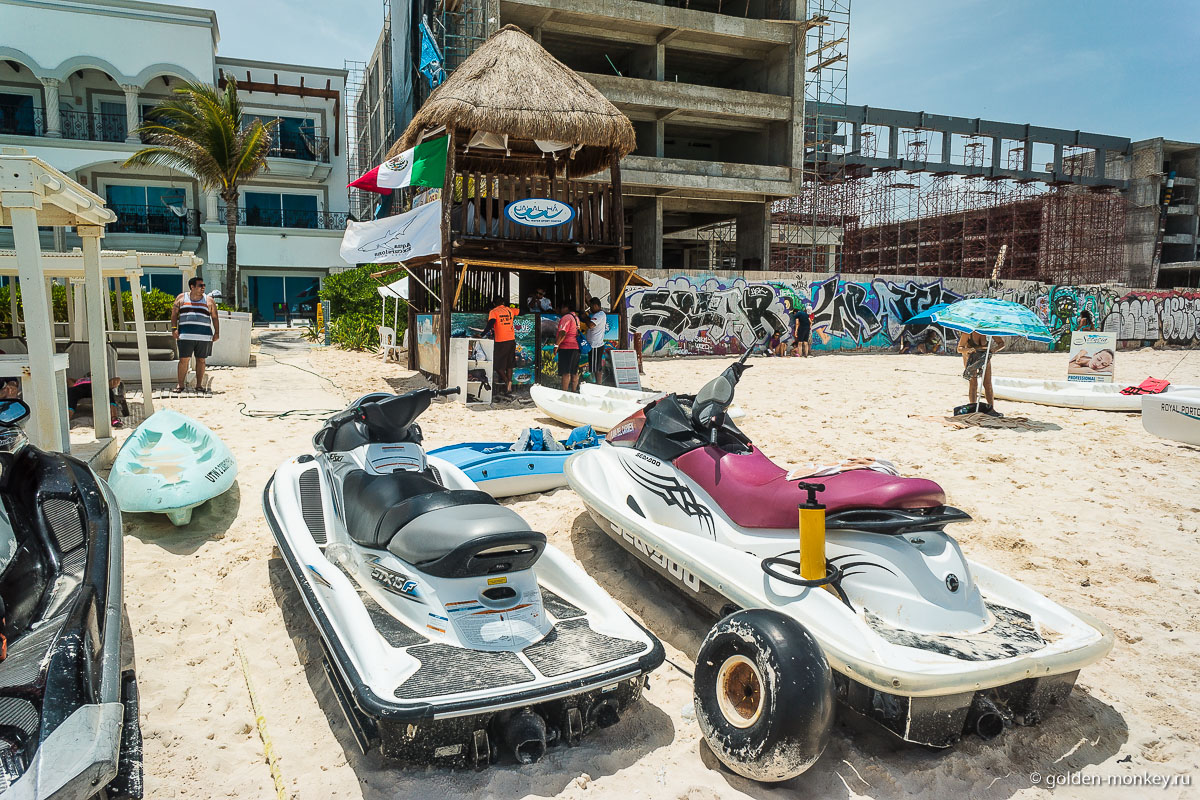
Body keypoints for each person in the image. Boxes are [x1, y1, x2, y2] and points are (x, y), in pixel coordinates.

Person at [171, 276, 219, 394]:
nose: (203, 288)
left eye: (204, 286)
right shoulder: (181, 298)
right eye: (200, 285)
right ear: (192, 287)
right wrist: (174, 329)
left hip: (204, 336)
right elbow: (174, 314)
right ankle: (180, 385)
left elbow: (215, 317)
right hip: (185, 336)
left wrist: (217, 332)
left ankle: (199, 385)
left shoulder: (209, 300)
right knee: (183, 360)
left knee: (201, 360)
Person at [957, 331, 1005, 415]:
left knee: (987, 384)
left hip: (984, 357)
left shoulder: (988, 331)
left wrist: (994, 350)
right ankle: (973, 409)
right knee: (973, 384)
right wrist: (968, 350)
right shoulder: (968, 332)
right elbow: (959, 349)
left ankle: (991, 410)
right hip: (971, 358)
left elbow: (1002, 344)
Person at [482, 295, 517, 397]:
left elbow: (491, 323)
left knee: (497, 365)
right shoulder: (510, 310)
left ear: (494, 304)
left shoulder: (494, 312)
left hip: (501, 341)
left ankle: (507, 382)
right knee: (509, 364)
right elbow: (522, 311)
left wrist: (482, 334)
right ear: (503, 303)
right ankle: (509, 382)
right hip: (511, 339)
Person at [555, 301, 581, 392]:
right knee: (574, 371)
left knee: (566, 372)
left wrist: (556, 345)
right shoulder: (575, 317)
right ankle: (574, 391)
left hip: (567, 347)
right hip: (576, 348)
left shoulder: (566, 317)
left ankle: (564, 392)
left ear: (566, 308)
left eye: (562, 308)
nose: (560, 310)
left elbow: (562, 332)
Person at [585, 297, 607, 382]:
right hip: (595, 344)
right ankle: (598, 384)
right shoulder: (599, 314)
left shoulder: (599, 315)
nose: (590, 308)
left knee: (596, 368)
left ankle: (598, 384)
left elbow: (591, 325)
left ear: (595, 305)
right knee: (595, 366)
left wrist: (585, 317)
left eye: (591, 306)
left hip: (595, 345)